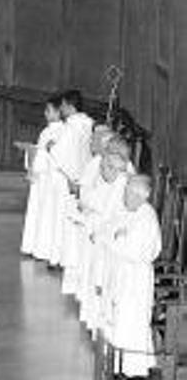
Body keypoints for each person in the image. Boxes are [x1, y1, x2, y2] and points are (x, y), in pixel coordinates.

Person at [102, 174, 160, 378]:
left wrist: (116, 239)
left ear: (139, 195)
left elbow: (132, 250)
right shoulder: (133, 212)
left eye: (127, 192)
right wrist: (117, 237)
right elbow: (113, 231)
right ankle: (123, 366)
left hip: (136, 280)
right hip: (126, 275)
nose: (123, 195)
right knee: (123, 321)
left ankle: (133, 370)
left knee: (132, 323)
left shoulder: (146, 217)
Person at [73, 141, 130, 329]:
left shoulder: (122, 185)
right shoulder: (115, 182)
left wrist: (96, 229)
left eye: (104, 169)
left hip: (111, 244)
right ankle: (95, 321)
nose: (101, 173)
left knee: (102, 283)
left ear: (113, 169)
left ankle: (100, 325)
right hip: (104, 236)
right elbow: (100, 201)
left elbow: (112, 216)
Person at [47, 89, 93, 268]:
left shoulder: (72, 126)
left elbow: (61, 154)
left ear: (69, 105)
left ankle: (60, 258)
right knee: (74, 221)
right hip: (82, 177)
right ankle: (72, 258)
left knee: (62, 219)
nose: (62, 109)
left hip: (67, 179)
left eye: (63, 105)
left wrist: (51, 147)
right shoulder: (88, 124)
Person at [19, 95, 65, 259]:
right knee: (37, 212)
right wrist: (31, 151)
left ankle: (44, 249)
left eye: (49, 110)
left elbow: (53, 156)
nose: (45, 113)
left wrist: (37, 154)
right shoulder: (46, 130)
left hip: (49, 178)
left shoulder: (62, 131)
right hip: (40, 178)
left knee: (47, 214)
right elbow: (41, 150)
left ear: (59, 112)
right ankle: (33, 245)